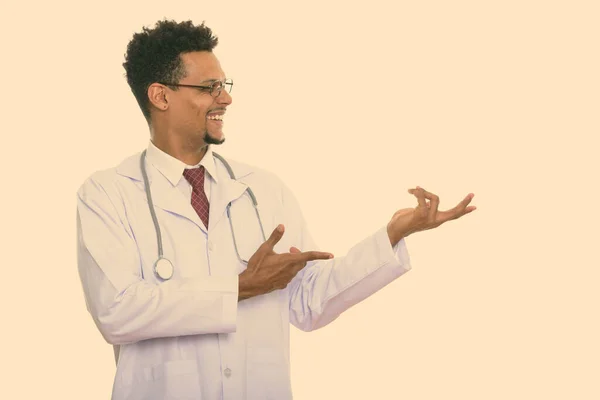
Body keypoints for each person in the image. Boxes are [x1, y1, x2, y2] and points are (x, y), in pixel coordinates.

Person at [76, 18, 477, 400]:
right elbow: (117, 311)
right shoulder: (108, 193)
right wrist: (239, 288)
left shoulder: (262, 189)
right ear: (161, 95)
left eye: (225, 85)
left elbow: (308, 301)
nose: (226, 98)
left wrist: (393, 234)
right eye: (209, 87)